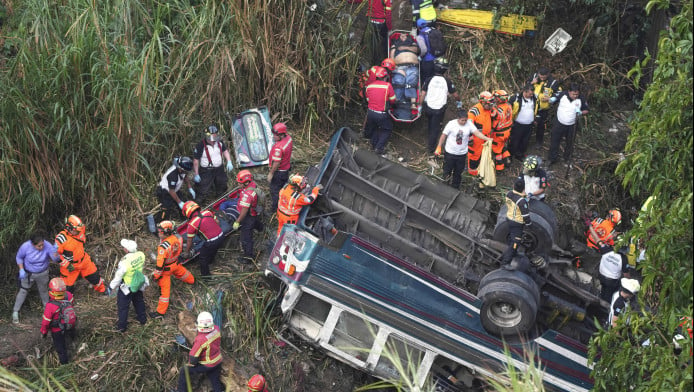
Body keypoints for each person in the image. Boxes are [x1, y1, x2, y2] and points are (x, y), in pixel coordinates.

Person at [55, 215, 109, 296]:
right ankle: (67, 303)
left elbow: (80, 226)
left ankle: (103, 290)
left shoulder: (80, 230)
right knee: (67, 287)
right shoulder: (61, 239)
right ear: (69, 228)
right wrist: (66, 264)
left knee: (95, 278)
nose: (78, 232)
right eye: (76, 230)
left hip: (84, 261)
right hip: (69, 266)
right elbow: (55, 255)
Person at [434, 113, 491, 189]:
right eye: (462, 120)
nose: (464, 122)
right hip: (450, 153)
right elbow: (443, 135)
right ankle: (445, 185)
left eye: (465, 120)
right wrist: (439, 146)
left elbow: (477, 133)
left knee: (458, 172)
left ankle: (455, 187)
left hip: (461, 154)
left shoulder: (469, 124)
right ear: (458, 118)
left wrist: (487, 139)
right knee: (447, 170)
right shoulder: (451, 124)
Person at [151, 220, 194, 319]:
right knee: (185, 274)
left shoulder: (163, 247)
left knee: (165, 293)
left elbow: (159, 266)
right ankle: (193, 281)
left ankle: (160, 313)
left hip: (166, 270)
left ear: (165, 233)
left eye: (159, 232)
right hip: (176, 263)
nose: (158, 233)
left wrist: (155, 276)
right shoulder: (177, 238)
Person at [12, 233, 59, 324]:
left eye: (42, 245)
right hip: (28, 273)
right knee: (23, 291)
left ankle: (48, 312)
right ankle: (15, 311)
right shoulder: (25, 247)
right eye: (39, 246)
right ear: (33, 244)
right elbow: (19, 257)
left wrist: (55, 252)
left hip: (43, 272)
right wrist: (21, 269)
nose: (41, 247)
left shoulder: (47, 245)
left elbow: (55, 259)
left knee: (44, 291)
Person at [419, 57, 461, 153]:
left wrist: (420, 106)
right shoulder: (447, 81)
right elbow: (456, 95)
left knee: (430, 123)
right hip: (439, 110)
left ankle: (429, 136)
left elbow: (422, 94)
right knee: (435, 129)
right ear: (445, 70)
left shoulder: (429, 80)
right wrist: (459, 102)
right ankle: (431, 149)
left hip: (428, 108)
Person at [177, 311, 223, 392]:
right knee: (215, 381)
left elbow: (193, 358)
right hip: (218, 360)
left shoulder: (200, 339)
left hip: (207, 364)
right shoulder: (216, 329)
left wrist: (191, 363)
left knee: (184, 371)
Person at [109, 239, 148, 332]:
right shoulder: (141, 255)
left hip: (127, 286)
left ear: (126, 250)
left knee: (123, 306)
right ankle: (143, 319)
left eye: (124, 248)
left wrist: (111, 286)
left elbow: (118, 276)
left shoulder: (124, 262)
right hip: (138, 283)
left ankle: (122, 327)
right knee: (139, 301)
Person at [548, 83, 589, 165]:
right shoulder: (563, 95)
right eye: (573, 94)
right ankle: (552, 158)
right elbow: (554, 98)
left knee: (570, 142)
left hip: (572, 125)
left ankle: (567, 157)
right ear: (569, 92)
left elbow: (587, 110)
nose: (575, 96)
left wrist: (581, 112)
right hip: (559, 122)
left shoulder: (581, 99)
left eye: (577, 94)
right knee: (555, 140)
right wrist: (552, 99)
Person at [192, 125, 235, 203]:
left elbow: (225, 151)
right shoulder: (200, 145)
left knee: (222, 184)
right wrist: (196, 173)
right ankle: (198, 204)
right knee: (203, 188)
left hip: (219, 169)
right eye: (212, 137)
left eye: (215, 136)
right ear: (207, 136)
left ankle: (221, 200)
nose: (214, 140)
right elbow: (196, 160)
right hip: (206, 171)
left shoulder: (219, 142)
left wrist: (229, 161)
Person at [182, 201, 224, 277]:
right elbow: (217, 222)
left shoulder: (191, 224)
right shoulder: (207, 212)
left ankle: (206, 276)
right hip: (221, 235)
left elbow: (189, 241)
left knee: (202, 258)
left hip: (212, 241)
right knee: (213, 249)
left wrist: (186, 252)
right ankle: (211, 261)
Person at [40, 278, 75, 365]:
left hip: (57, 330)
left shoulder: (50, 306)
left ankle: (64, 364)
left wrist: (43, 332)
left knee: (60, 347)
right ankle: (73, 342)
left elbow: (46, 322)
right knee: (70, 335)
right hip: (70, 323)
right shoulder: (69, 295)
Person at [363, 67, 397, 155]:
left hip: (370, 113)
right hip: (381, 114)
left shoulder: (369, 86)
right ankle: (379, 148)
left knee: (374, 128)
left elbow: (368, 99)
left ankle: (374, 145)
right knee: (387, 129)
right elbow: (393, 100)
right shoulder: (387, 86)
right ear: (385, 77)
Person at [233, 170, 265, 264]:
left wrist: (238, 221)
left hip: (248, 217)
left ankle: (249, 257)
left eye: (240, 183)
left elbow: (244, 211)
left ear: (246, 182)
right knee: (255, 222)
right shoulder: (253, 185)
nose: (238, 184)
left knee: (246, 238)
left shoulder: (247, 195)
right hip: (253, 213)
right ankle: (261, 228)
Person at [500, 178, 531, 267]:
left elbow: (516, 197)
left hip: (509, 219)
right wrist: (529, 224)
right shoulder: (522, 202)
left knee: (511, 239)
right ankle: (505, 262)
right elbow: (525, 215)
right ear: (523, 189)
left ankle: (510, 252)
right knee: (515, 243)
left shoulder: (509, 194)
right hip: (517, 223)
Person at [465, 91, 497, 177]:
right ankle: (472, 173)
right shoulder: (474, 111)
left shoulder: (489, 109)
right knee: (474, 156)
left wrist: (494, 113)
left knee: (483, 155)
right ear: (482, 102)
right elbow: (468, 125)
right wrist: (470, 138)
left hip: (486, 137)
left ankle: (480, 169)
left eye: (491, 104)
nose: (491, 106)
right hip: (476, 139)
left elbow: (493, 112)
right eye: (489, 105)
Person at [527, 67, 560, 147]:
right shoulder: (534, 76)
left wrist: (551, 99)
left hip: (542, 108)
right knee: (527, 123)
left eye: (543, 77)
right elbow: (525, 87)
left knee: (540, 125)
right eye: (540, 77)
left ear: (548, 75)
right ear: (538, 74)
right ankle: (526, 140)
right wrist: (531, 82)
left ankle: (539, 142)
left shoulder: (553, 82)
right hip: (530, 105)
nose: (541, 78)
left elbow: (559, 93)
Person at [156, 156, 195, 221]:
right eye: (184, 171)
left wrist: (190, 187)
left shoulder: (182, 170)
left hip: (175, 189)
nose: (185, 172)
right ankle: (161, 223)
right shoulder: (173, 175)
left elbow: (185, 177)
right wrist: (179, 202)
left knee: (185, 205)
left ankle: (185, 219)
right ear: (180, 168)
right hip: (166, 191)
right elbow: (171, 191)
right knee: (166, 209)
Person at [389, 33, 419, 113]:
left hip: (412, 66)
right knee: (398, 81)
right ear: (398, 37)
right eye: (401, 36)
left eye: (405, 35)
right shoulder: (394, 45)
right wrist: (396, 69)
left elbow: (416, 50)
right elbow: (391, 59)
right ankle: (396, 101)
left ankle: (413, 104)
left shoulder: (412, 43)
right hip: (399, 67)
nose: (403, 37)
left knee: (411, 81)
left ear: (408, 37)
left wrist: (404, 47)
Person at [267, 123, 293, 214]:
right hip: (286, 169)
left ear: (282, 135)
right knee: (284, 188)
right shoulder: (289, 138)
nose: (274, 136)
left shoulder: (279, 148)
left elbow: (276, 163)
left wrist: (271, 173)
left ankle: (275, 210)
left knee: (275, 191)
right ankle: (284, 203)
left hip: (279, 173)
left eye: (276, 135)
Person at [507, 84, 538, 160]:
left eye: (532, 94)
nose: (531, 95)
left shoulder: (534, 98)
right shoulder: (515, 98)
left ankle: (519, 154)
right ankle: (510, 155)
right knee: (514, 140)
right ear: (525, 91)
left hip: (529, 125)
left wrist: (535, 119)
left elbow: (537, 108)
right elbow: (507, 109)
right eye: (530, 94)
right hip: (518, 124)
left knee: (525, 141)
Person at [491, 90, 513, 171]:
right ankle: (507, 160)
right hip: (507, 131)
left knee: (497, 151)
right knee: (503, 147)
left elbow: (492, 115)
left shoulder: (497, 110)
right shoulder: (509, 105)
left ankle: (499, 168)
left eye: (496, 97)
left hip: (499, 134)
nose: (495, 99)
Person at [367, 0, 392, 64]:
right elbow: (388, 12)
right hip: (381, 23)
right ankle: (383, 62)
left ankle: (373, 63)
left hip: (370, 22)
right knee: (383, 45)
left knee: (372, 45)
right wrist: (389, 27)